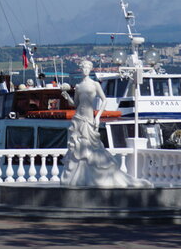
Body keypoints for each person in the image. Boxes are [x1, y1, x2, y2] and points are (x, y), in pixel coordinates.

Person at [60, 60, 150, 188]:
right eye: (83, 67)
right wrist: (67, 97)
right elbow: (75, 104)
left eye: (87, 68)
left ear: (90, 69)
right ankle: (79, 176)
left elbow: (104, 100)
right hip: (78, 117)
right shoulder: (79, 86)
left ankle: (92, 175)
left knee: (92, 146)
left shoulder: (95, 84)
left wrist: (98, 117)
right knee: (78, 148)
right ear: (81, 69)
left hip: (90, 118)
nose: (85, 70)